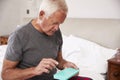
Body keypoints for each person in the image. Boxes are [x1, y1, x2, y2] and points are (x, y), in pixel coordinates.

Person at [1, 0, 78, 80]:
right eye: (54, 23)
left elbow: (59, 61)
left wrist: (65, 65)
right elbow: (5, 74)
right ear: (41, 14)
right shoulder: (19, 35)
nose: (57, 28)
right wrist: (35, 70)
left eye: (59, 24)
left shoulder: (56, 33)